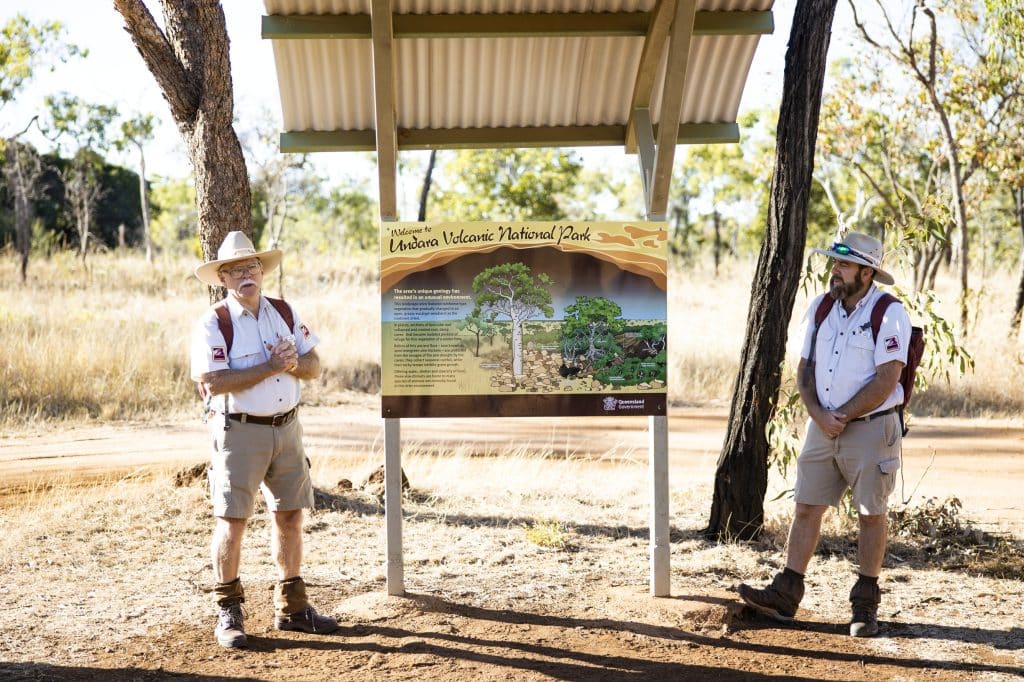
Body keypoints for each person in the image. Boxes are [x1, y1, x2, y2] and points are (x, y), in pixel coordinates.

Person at [738, 231, 911, 638]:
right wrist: (819, 414)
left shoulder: (890, 313)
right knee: (806, 506)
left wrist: (844, 415)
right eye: (834, 262)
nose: (835, 269)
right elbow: (804, 369)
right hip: (823, 426)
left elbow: (888, 379)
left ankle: (865, 605)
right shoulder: (819, 308)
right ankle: (786, 592)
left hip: (871, 428)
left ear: (867, 273)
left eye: (844, 264)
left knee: (871, 514)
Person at [190, 231, 338, 648]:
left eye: (251, 266)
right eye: (235, 269)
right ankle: (228, 612)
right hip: (240, 431)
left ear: (261, 270)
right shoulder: (214, 321)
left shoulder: (284, 311)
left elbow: (314, 365)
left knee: (290, 515)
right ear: (223, 277)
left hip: (287, 428)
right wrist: (270, 363)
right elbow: (214, 381)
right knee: (232, 520)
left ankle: (292, 607)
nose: (245, 274)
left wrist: (292, 364)